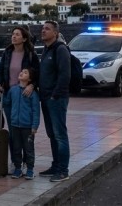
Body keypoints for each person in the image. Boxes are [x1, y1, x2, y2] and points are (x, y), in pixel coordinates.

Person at [38, 20, 71, 182]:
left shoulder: (60, 49)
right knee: (52, 134)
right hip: (45, 98)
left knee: (60, 135)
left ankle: (63, 170)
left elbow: (65, 75)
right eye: (43, 28)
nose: (43, 31)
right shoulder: (46, 49)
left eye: (47, 29)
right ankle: (56, 165)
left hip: (56, 99)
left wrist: (55, 95)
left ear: (55, 33)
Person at [0, 26, 40, 128]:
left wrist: (32, 85)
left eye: (17, 35)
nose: (14, 37)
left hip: (23, 94)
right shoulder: (7, 53)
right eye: (13, 34)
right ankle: (13, 144)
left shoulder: (31, 55)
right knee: (11, 125)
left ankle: (23, 143)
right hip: (8, 94)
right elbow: (0, 71)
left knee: (23, 126)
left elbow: (37, 74)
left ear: (24, 39)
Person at [3, 68, 40, 180]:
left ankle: (29, 169)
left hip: (27, 126)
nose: (21, 73)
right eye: (22, 71)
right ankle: (18, 168)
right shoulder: (13, 90)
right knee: (16, 148)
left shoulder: (33, 94)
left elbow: (36, 111)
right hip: (15, 125)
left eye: (25, 72)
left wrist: (34, 126)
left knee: (28, 148)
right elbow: (7, 103)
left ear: (29, 79)